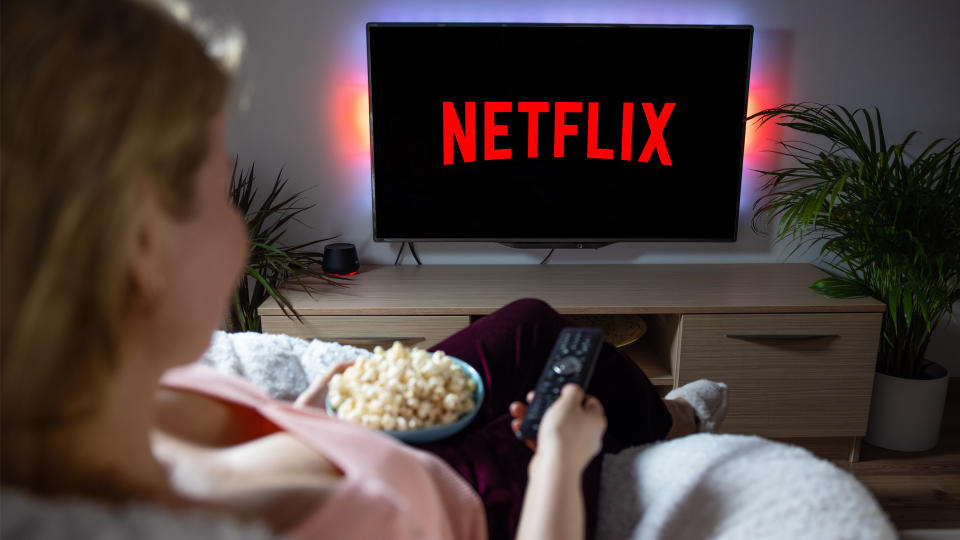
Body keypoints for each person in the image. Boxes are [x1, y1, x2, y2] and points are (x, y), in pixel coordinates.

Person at [0, 1, 722, 538]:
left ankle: (665, 415)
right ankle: (677, 420)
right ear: (143, 251)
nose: (245, 231)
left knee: (533, 326)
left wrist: (314, 414)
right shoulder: (211, 523)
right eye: (221, 191)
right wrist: (562, 459)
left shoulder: (102, 397)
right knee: (571, 388)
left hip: (374, 442)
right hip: (470, 496)